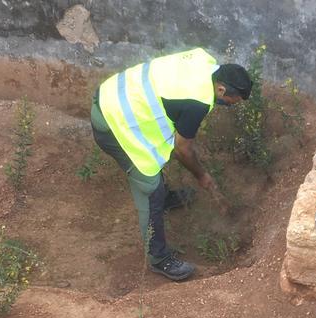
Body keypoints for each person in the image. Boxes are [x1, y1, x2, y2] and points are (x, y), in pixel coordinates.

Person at [90, 47, 252, 281]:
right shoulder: (198, 102)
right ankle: (159, 259)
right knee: (149, 186)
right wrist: (202, 176)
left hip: (114, 92)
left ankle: (166, 198)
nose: (231, 106)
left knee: (157, 152)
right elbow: (182, 149)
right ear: (221, 89)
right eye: (231, 101)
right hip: (113, 122)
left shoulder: (203, 59)